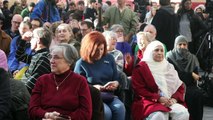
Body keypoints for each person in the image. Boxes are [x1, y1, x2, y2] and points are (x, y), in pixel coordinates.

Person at [29, 43, 92, 120]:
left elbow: (85, 113)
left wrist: (62, 119)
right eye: (50, 57)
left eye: (56, 57)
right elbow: (32, 109)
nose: (51, 61)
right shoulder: (42, 80)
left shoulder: (79, 81)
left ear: (69, 61)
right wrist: (47, 115)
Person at [131, 40, 189, 120]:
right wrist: (158, 98)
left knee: (183, 113)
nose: (160, 53)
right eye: (156, 50)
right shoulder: (141, 67)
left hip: (169, 101)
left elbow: (179, 86)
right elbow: (139, 90)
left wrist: (174, 99)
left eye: (162, 50)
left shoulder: (168, 66)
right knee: (160, 115)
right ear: (150, 51)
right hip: (149, 101)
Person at [74, 31, 126, 120]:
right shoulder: (81, 64)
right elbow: (77, 86)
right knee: (106, 112)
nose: (100, 52)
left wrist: (115, 84)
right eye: (96, 50)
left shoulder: (109, 58)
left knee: (120, 108)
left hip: (109, 95)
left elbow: (116, 77)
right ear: (89, 49)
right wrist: (94, 88)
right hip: (92, 97)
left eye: (102, 49)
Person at [166, 35, 204, 120]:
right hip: (175, 86)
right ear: (175, 45)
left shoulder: (192, 58)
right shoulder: (169, 57)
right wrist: (190, 75)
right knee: (188, 95)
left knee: (198, 94)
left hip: (189, 85)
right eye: (180, 44)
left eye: (184, 44)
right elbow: (174, 75)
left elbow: (196, 76)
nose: (182, 47)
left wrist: (190, 76)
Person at [16, 27, 51, 93]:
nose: (30, 41)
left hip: (25, 97)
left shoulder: (44, 58)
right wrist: (23, 40)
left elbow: (31, 85)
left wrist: (17, 93)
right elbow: (19, 56)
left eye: (32, 38)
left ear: (38, 40)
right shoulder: (38, 55)